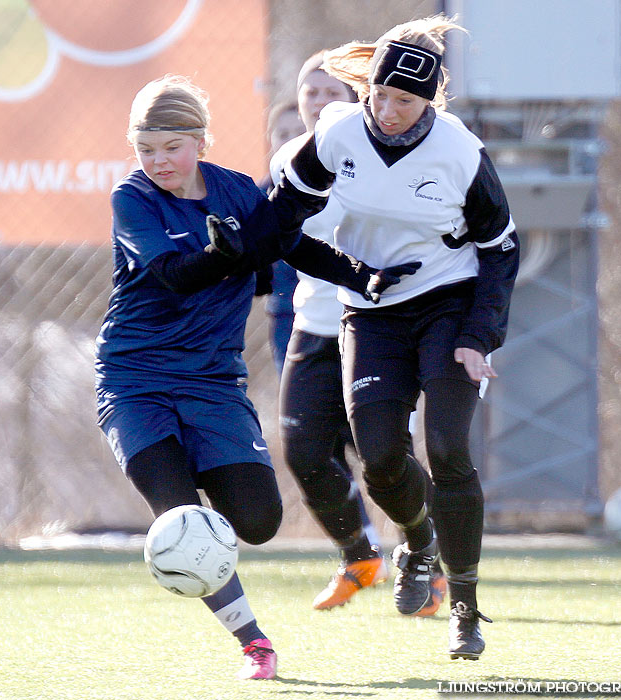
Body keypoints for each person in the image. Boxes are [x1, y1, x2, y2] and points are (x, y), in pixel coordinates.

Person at [94, 74, 419, 680]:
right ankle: (255, 643)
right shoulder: (132, 199)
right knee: (183, 520)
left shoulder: (240, 191)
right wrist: (223, 256)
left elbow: (292, 246)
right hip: (135, 378)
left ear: (201, 142)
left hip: (213, 382)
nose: (159, 160)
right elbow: (174, 275)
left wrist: (363, 275)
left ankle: (208, 514)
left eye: (172, 146)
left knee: (258, 522)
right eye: (146, 148)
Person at [265, 16, 520, 659]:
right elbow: (283, 209)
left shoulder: (461, 152)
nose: (387, 110)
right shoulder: (339, 132)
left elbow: (500, 249)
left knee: (447, 449)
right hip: (371, 311)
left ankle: (465, 609)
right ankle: (417, 540)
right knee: (378, 456)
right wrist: (233, 251)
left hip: (450, 305)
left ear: (429, 102)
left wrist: (479, 336)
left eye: (404, 101)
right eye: (379, 96)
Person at [272, 51, 450, 614]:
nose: (320, 101)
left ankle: (425, 559)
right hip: (314, 324)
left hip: (380, 328)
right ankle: (359, 555)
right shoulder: (287, 163)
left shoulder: (384, 160)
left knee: (385, 459)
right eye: (310, 91)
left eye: (332, 92)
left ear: (357, 101)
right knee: (302, 450)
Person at [257, 102, 305, 375]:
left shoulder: (340, 183)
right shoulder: (259, 195)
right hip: (286, 313)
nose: (290, 141)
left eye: (299, 131)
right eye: (282, 133)